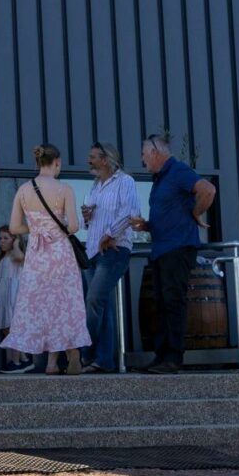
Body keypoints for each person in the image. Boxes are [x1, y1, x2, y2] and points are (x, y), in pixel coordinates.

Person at [129, 131, 217, 373]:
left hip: (177, 248)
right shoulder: (160, 180)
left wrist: (196, 213)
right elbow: (169, 212)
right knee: (161, 302)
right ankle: (161, 356)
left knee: (172, 302)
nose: (142, 159)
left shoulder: (178, 171)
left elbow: (208, 190)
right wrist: (146, 225)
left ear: (156, 153)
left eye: (144, 154)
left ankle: (173, 358)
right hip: (161, 249)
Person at [5, 143, 91, 375]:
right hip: (60, 253)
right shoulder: (65, 190)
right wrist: (56, 226)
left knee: (40, 305)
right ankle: (66, 354)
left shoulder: (23, 190)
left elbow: (13, 227)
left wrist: (35, 228)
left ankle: (51, 363)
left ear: (37, 163)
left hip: (37, 255)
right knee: (63, 305)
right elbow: (73, 226)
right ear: (57, 163)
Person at [80, 142, 137, 373]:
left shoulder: (126, 182)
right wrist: (86, 216)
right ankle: (103, 361)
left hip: (114, 250)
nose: (89, 161)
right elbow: (88, 221)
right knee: (103, 305)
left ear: (105, 159)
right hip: (93, 250)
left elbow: (130, 212)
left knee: (93, 300)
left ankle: (84, 352)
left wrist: (110, 234)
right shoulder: (95, 187)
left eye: (93, 157)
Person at [0, 226, 29, 373]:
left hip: (13, 295)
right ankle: (25, 359)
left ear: (14, 240)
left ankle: (16, 361)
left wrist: (15, 244)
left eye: (6, 238)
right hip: (3, 294)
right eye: (0, 238)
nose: (1, 241)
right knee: (5, 328)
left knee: (14, 328)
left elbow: (20, 258)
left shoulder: (16, 255)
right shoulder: (4, 257)